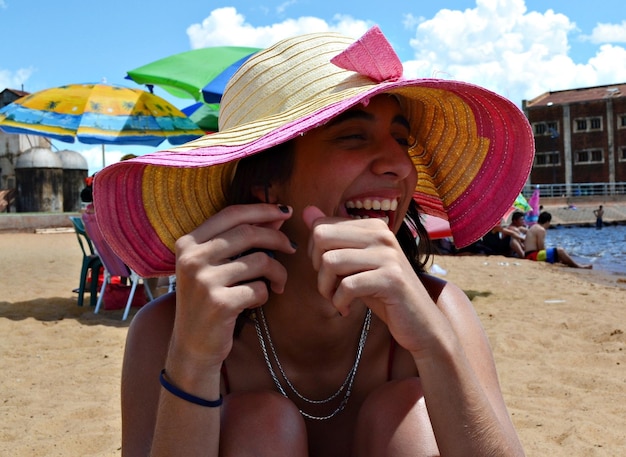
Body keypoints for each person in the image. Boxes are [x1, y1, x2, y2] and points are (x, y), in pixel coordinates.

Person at [93, 27, 533, 456]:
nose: (399, 164)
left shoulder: (438, 309)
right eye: (352, 137)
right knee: (261, 424)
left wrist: (434, 345)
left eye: (401, 139)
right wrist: (192, 360)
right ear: (266, 186)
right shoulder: (167, 329)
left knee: (405, 413)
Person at [524, 212, 592, 269]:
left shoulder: (534, 227)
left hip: (530, 255)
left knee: (556, 252)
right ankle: (578, 266)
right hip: (532, 256)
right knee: (560, 251)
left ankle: (573, 263)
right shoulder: (541, 230)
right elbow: (541, 248)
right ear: (547, 221)